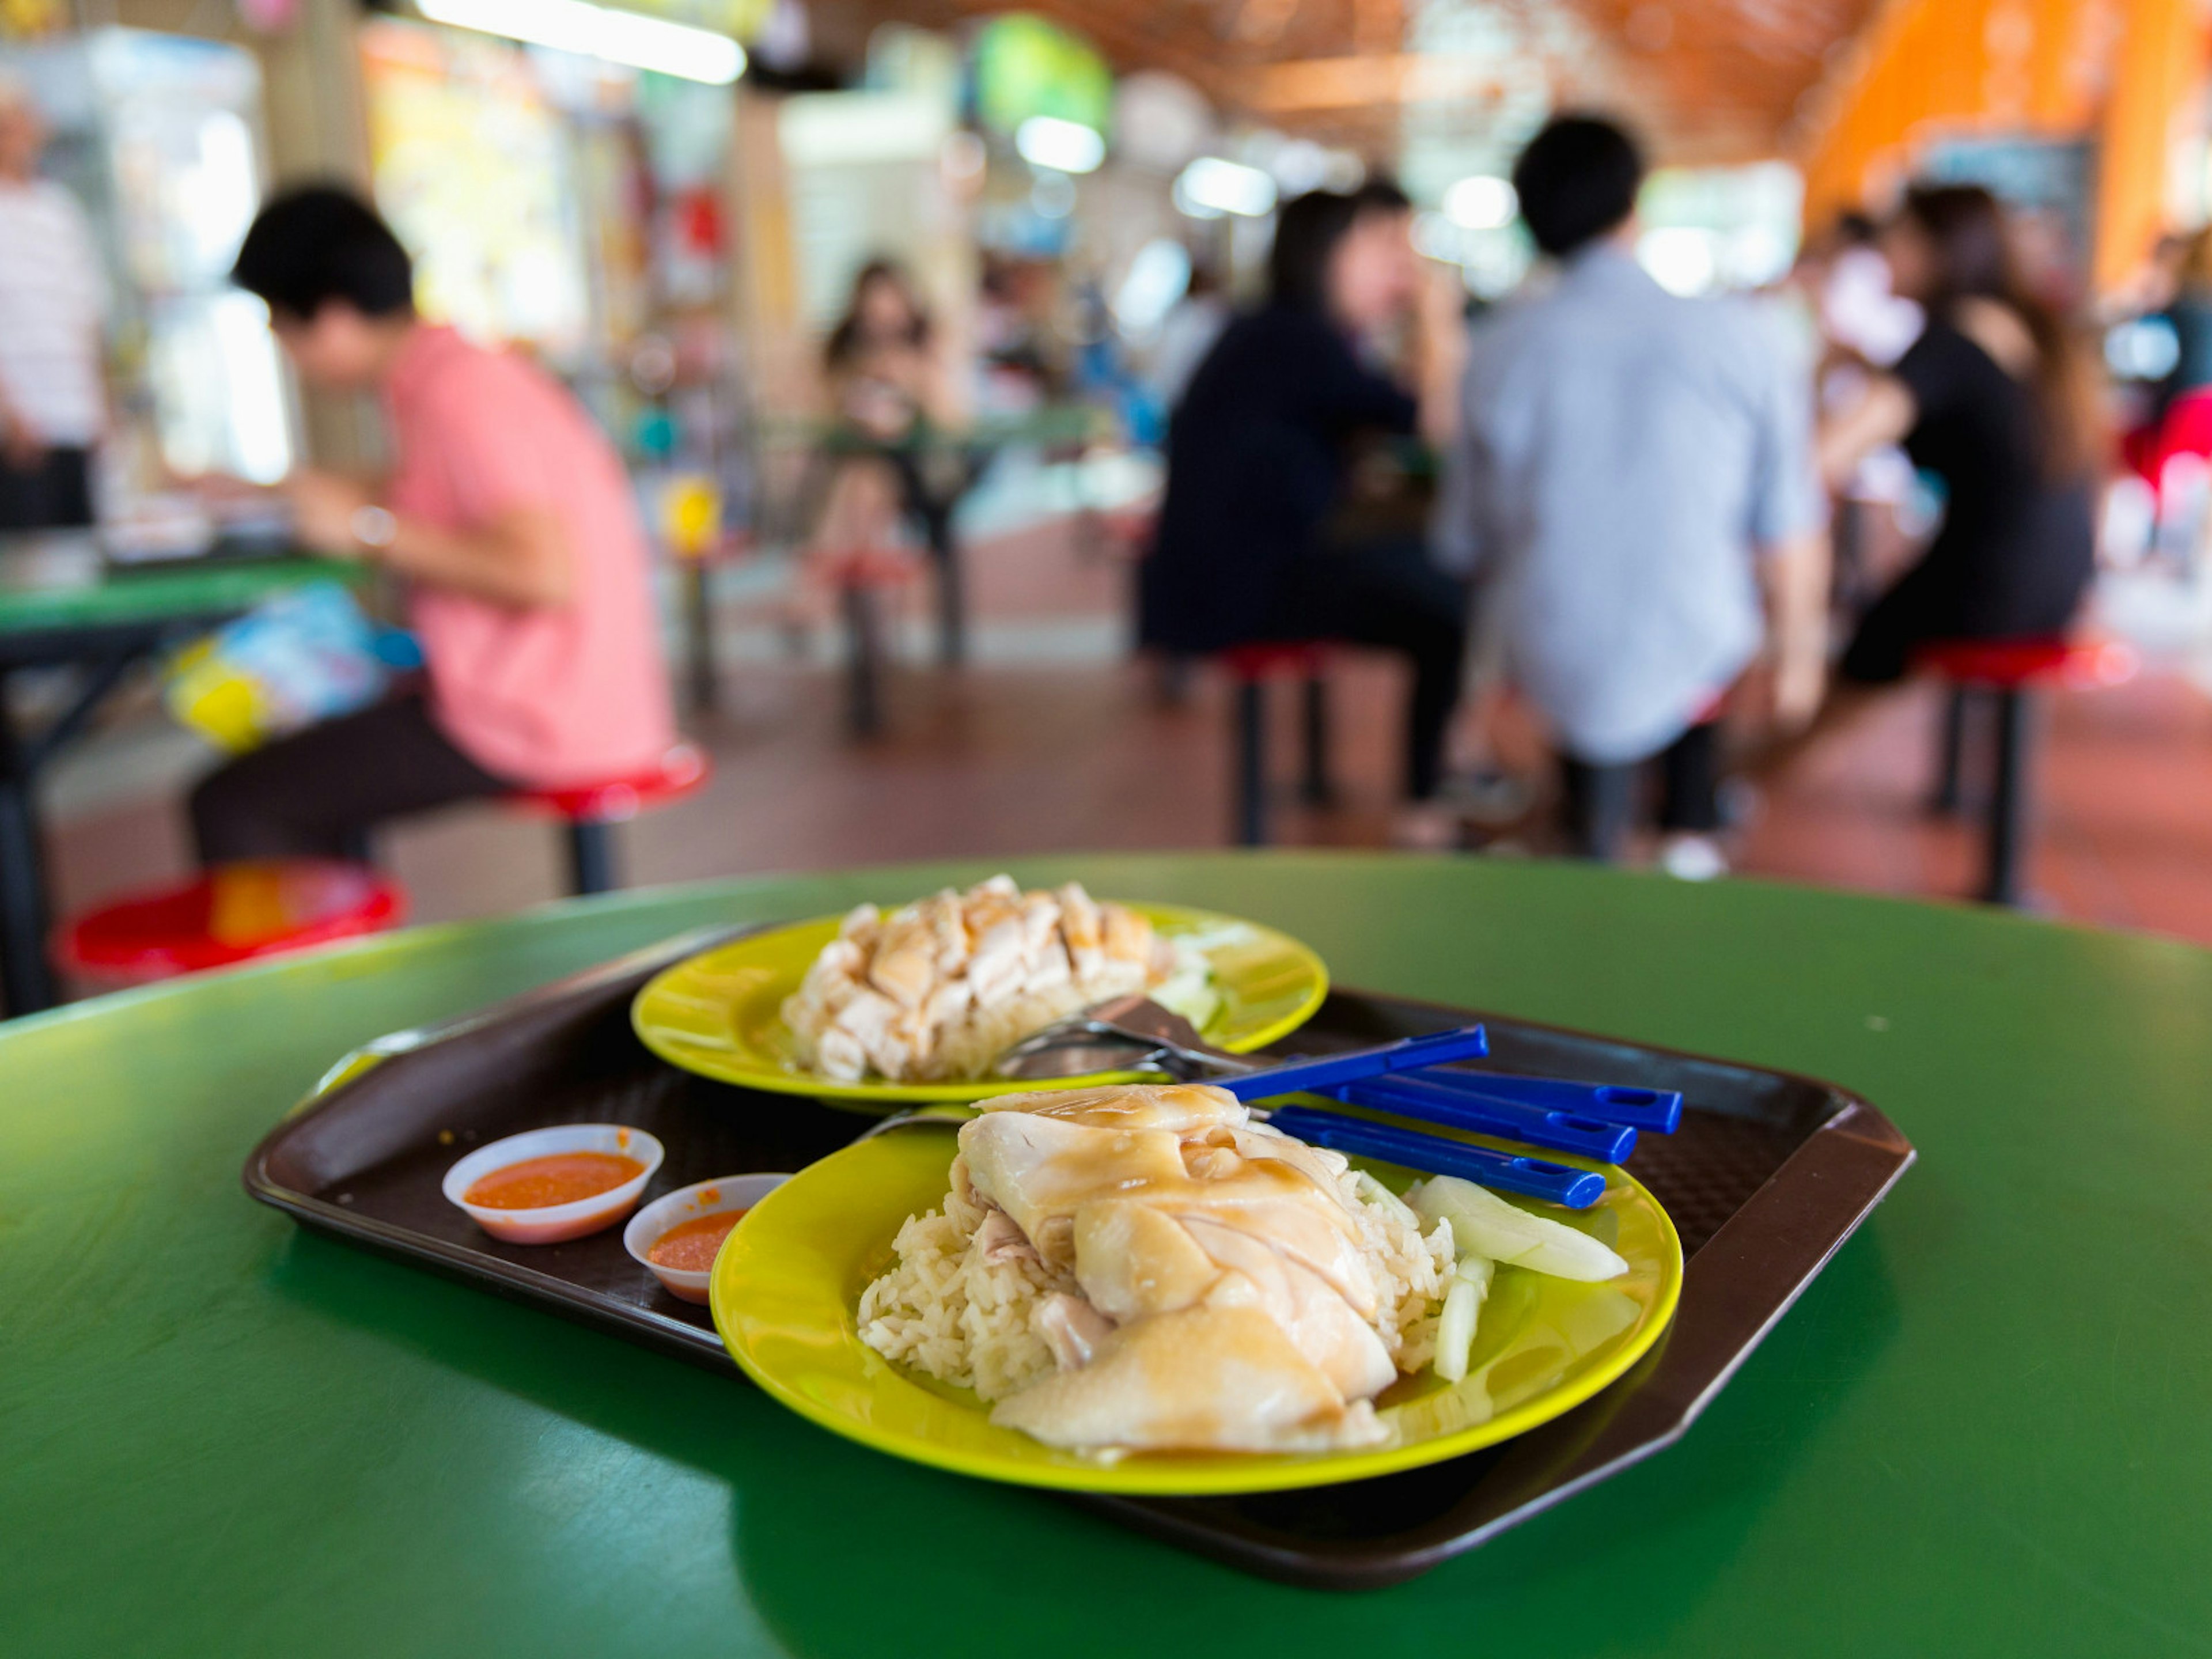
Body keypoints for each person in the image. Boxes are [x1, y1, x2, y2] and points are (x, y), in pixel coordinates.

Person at [188, 185, 676, 862]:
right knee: (312, 751)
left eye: (280, 325)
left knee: (236, 799)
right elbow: (426, 494)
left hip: (540, 716)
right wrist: (260, 491)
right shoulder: (452, 376)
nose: (285, 350)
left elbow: (544, 574)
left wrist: (368, 530)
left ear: (329, 316)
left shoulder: (459, 397)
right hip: (573, 696)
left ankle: (315, 967)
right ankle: (346, 955)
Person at [1434, 115, 1828, 871]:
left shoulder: (1499, 349)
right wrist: (1800, 649)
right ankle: (1689, 840)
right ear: (1634, 203)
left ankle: (1585, 842)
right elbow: (1787, 522)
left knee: (1563, 664)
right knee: (1703, 637)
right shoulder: (1741, 334)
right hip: (1703, 653)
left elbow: (1466, 543)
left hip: (1549, 656)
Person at [1142, 181, 1467, 812]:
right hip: (1240, 592)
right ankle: (1427, 811)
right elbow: (1433, 422)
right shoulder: (1298, 341)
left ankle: (1445, 777)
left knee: (1426, 571)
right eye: (1378, 250)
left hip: (1226, 576)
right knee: (1446, 609)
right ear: (1325, 254)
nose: (1398, 270)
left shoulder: (1273, 333)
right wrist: (1437, 314)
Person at [1819, 185, 2102, 684]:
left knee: (1860, 655)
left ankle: (1759, 762)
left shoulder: (1950, 337)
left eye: (1898, 237)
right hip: (2061, 581)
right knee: (1876, 638)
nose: (1882, 252)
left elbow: (1827, 454)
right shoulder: (2022, 325)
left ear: (1941, 250)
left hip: (1992, 587)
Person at [0, 75, 108, 533]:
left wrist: (103, 406)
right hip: (20, 429)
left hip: (76, 419)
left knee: (85, 554)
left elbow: (87, 316)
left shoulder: (59, 211)